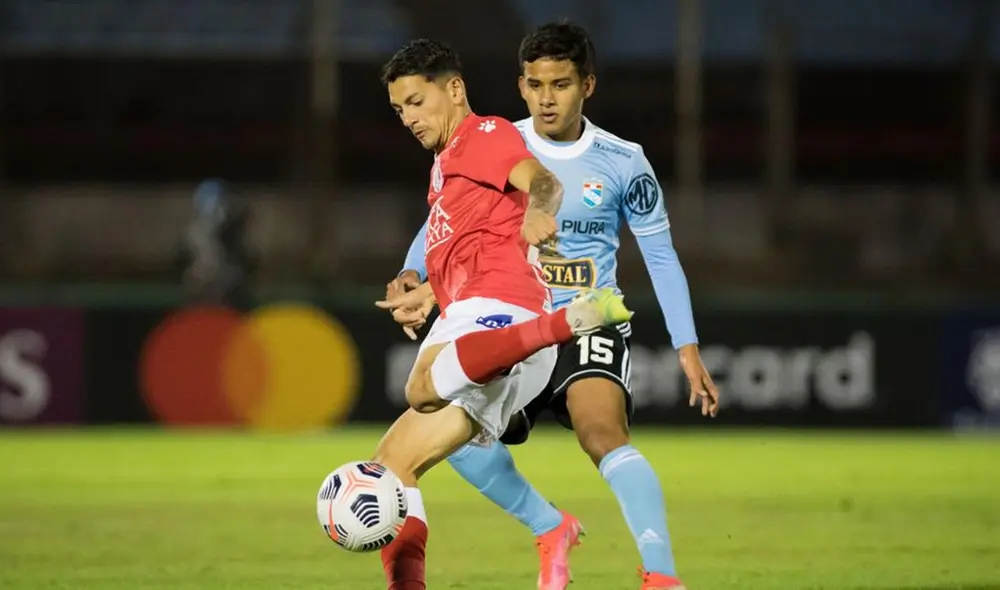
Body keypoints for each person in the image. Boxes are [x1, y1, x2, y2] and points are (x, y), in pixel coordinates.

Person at [388, 23, 720, 590]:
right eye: (536, 84)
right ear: (521, 86)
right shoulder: (496, 140)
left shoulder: (624, 162)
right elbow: (443, 217)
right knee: (456, 440)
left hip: (585, 318)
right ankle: (549, 526)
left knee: (601, 433)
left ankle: (661, 576)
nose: (547, 98)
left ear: (586, 86)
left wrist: (687, 347)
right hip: (508, 316)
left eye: (561, 84)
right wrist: (411, 271)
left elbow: (661, 257)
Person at [369, 38, 633, 590]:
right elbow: (473, 243)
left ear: (455, 89)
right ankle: (548, 528)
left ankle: (562, 326)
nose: (408, 119)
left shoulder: (482, 135)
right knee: (389, 469)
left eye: (417, 102)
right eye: (399, 109)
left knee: (422, 387)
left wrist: (539, 213)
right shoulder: (445, 168)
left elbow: (543, 182)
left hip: (506, 310)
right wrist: (427, 291)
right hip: (473, 314)